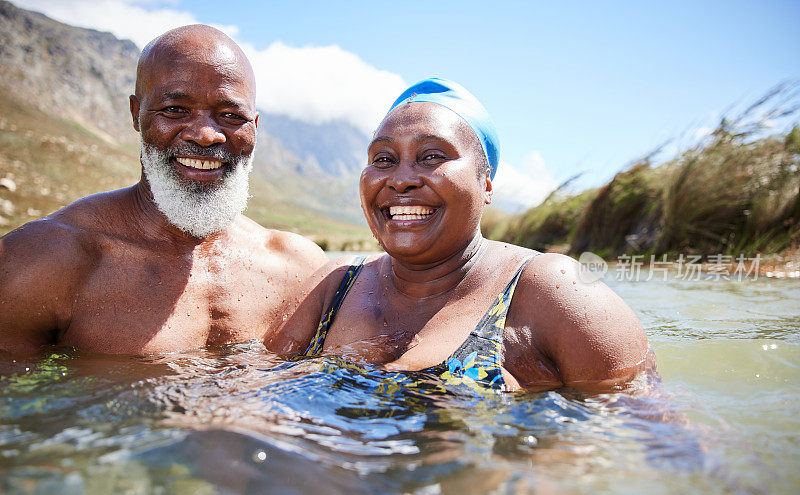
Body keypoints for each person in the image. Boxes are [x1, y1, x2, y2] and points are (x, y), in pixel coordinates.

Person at [267, 78, 650, 392]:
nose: (400, 179)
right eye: (383, 159)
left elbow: (650, 443)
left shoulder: (556, 293)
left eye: (432, 156)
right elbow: (258, 397)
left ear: (486, 183)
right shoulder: (335, 286)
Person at [0, 25, 326, 355]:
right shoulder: (41, 262)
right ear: (135, 113)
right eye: (175, 110)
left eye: (230, 115)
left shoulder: (299, 270)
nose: (205, 135)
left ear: (254, 127)